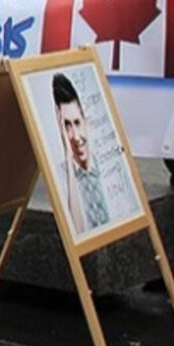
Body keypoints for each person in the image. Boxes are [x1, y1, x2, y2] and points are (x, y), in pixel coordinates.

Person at [52, 73, 110, 236]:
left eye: (77, 122)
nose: (75, 136)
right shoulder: (62, 175)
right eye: (66, 126)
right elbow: (77, 233)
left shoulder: (107, 163)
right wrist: (68, 157)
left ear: (85, 120)